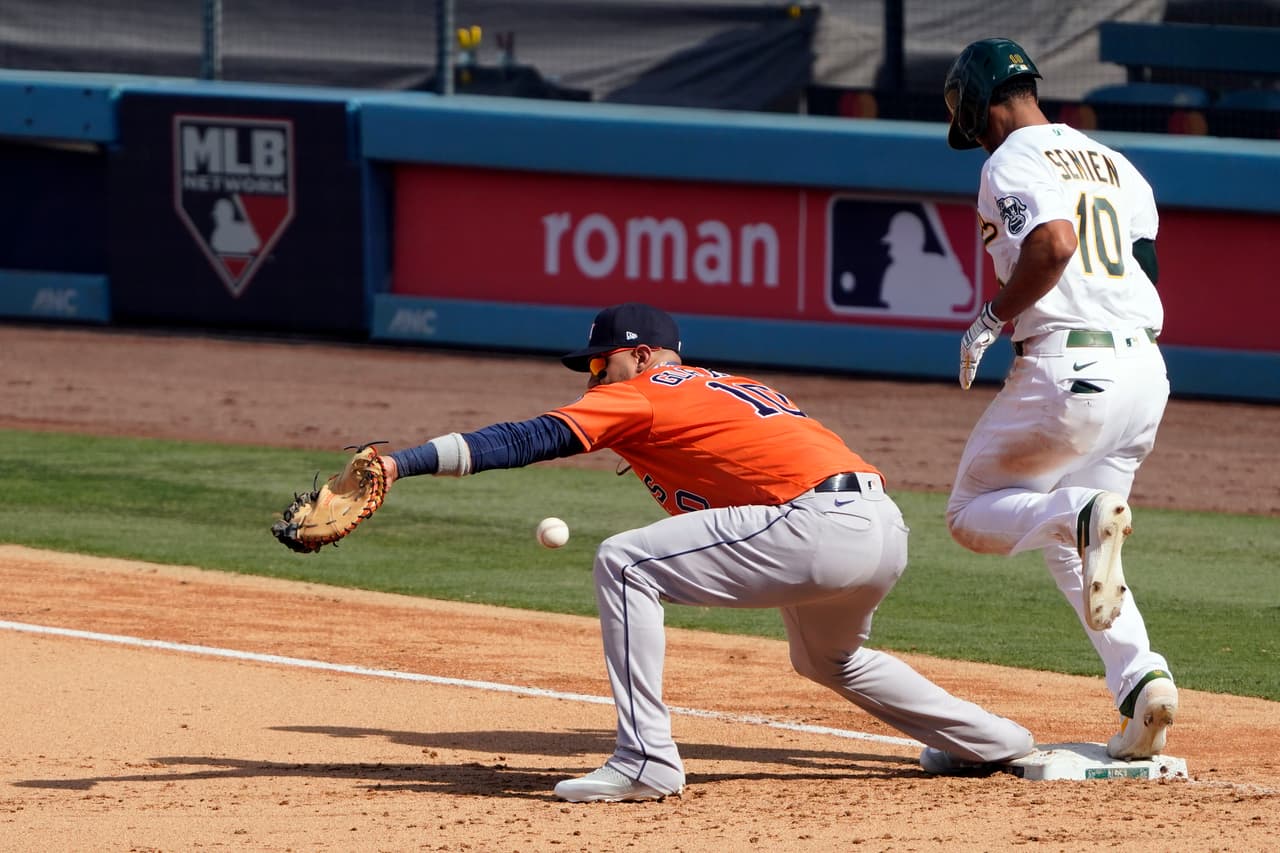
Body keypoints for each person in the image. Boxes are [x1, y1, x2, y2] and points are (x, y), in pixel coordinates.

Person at [382, 302, 1035, 801]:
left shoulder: (641, 392)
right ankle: (991, 741)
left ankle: (645, 759)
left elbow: (528, 437)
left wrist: (400, 463)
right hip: (881, 526)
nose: (592, 377)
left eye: (598, 362)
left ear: (639, 357)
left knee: (624, 561)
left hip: (817, 523)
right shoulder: (712, 390)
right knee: (827, 657)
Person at [942, 38, 1177, 761]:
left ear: (983, 104)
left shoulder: (1010, 158)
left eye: (972, 118)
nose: (974, 133)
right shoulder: (1116, 163)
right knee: (1080, 553)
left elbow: (1053, 243)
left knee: (969, 512)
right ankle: (1144, 688)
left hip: (1069, 366)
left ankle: (1074, 514)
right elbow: (1145, 267)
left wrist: (988, 318)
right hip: (1145, 372)